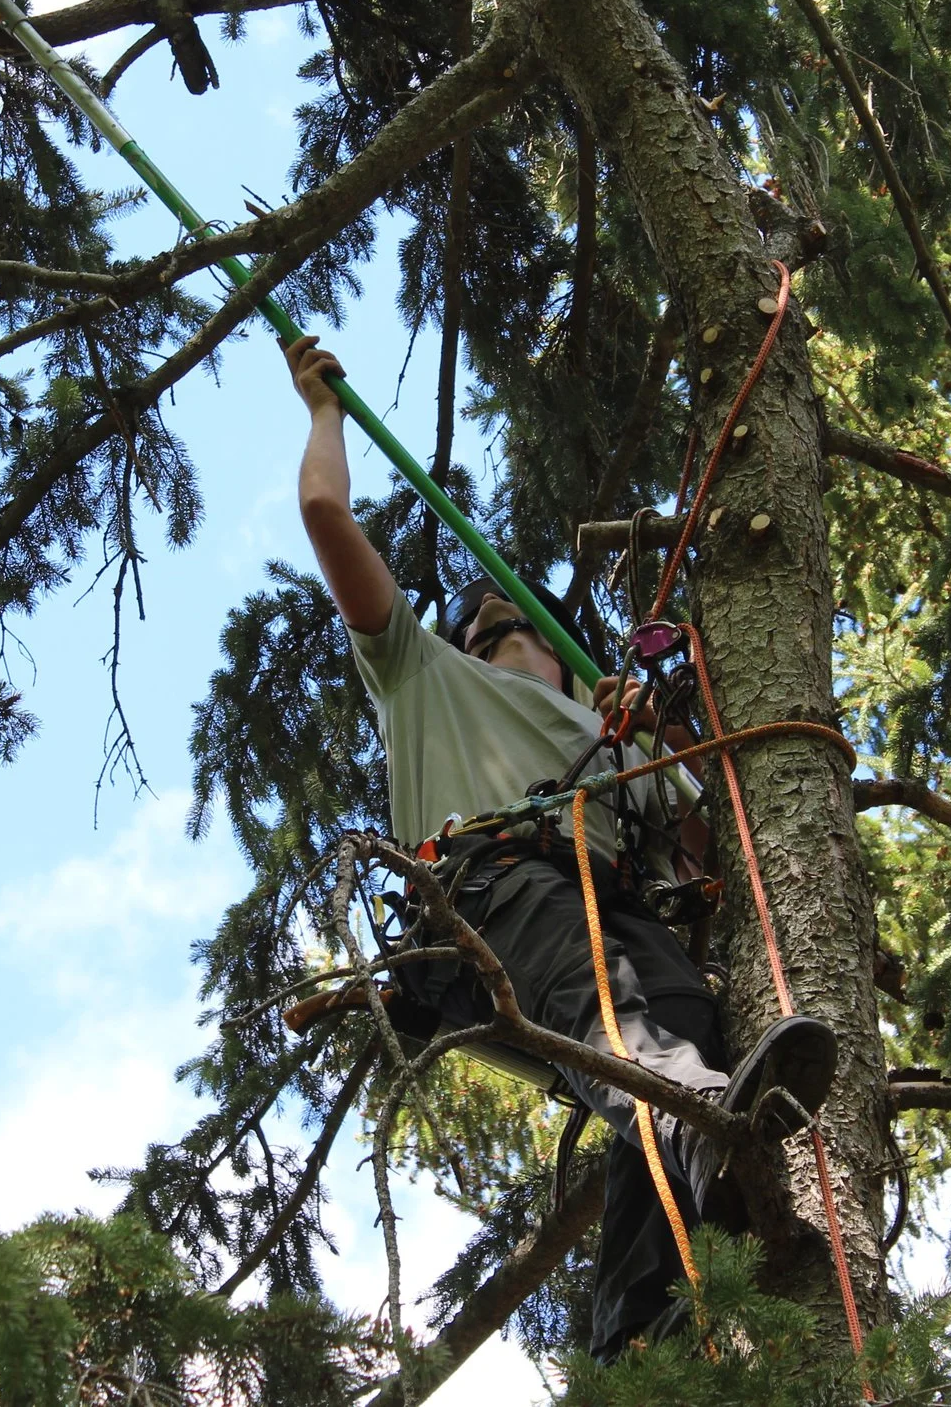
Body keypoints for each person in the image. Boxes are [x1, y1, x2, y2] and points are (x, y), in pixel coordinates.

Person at [285, 332, 838, 1358]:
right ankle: (712, 1127)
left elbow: (709, 836)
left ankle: (641, 1338)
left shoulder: (608, 732)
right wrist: (322, 408)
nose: (494, 625)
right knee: (625, 1028)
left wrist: (657, 734)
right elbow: (326, 516)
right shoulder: (425, 676)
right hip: (494, 892)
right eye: (480, 628)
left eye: (515, 627)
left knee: (680, 1019)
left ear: (562, 653)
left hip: (616, 903)